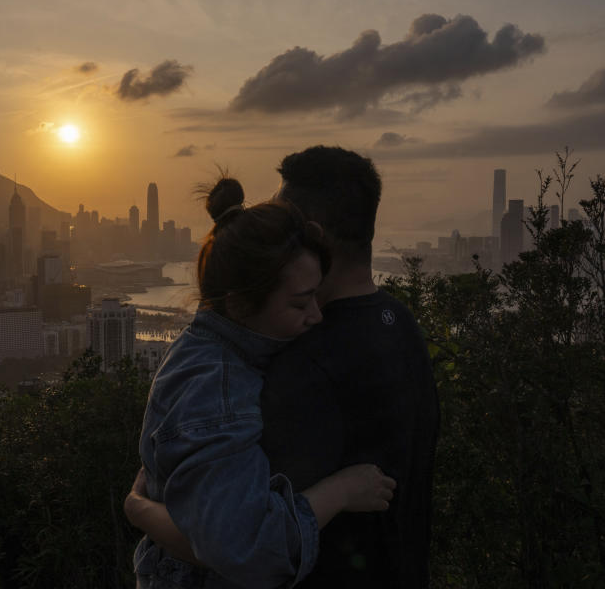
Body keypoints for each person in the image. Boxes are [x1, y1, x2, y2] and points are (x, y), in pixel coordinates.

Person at [127, 147, 439, 588]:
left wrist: (141, 511)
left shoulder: (298, 363)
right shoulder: (402, 325)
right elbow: (238, 536)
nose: (312, 314)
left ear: (311, 234)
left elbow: (237, 548)